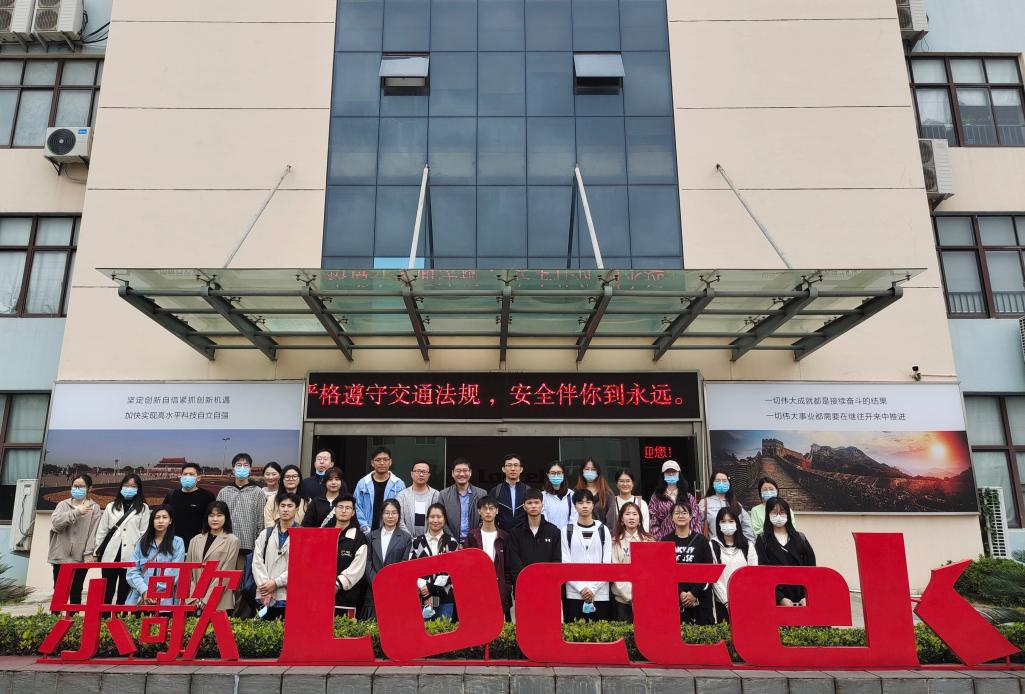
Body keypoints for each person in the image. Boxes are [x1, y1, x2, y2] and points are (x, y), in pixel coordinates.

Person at [217, 453, 268, 614]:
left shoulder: (258, 492)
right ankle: (223, 615)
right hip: (226, 547)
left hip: (247, 548)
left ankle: (240, 618)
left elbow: (261, 521)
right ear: (233, 469)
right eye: (238, 465)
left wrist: (258, 546)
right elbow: (217, 519)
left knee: (242, 585)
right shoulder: (224, 492)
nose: (242, 468)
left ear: (250, 469)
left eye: (245, 465)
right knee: (224, 584)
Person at [93, 473, 150, 605]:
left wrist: (141, 555)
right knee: (106, 592)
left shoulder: (143, 508)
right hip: (110, 555)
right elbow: (102, 531)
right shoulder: (111, 506)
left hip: (131, 556)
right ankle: (105, 615)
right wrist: (96, 552)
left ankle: (120, 616)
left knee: (124, 593)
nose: (129, 488)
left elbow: (144, 533)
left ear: (138, 489)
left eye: (133, 486)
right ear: (121, 487)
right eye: (126, 485)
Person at [49, 473, 102, 608]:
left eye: (81, 486)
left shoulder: (94, 508)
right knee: (59, 588)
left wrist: (89, 554)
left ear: (89, 488)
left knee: (76, 589)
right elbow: (56, 524)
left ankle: (74, 616)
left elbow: (93, 533)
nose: (77, 489)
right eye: (75, 486)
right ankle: (56, 616)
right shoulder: (63, 505)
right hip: (61, 554)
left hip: (80, 556)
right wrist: (76, 512)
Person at [560, 489, 612, 622]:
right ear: (574, 506)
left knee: (601, 632)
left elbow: (607, 563)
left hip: (600, 593)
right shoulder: (567, 531)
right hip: (574, 593)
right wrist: (581, 588)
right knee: (574, 631)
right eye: (580, 503)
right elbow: (565, 564)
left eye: (588, 502)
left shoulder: (603, 530)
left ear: (593, 505)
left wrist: (593, 589)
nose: (584, 506)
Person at [754, 498, 815, 607]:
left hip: (801, 599)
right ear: (768, 515)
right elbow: (762, 572)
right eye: (774, 512)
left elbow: (811, 568)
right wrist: (780, 598)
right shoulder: (762, 540)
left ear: (788, 514)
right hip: (775, 600)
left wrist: (807, 595)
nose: (778, 516)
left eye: (782, 512)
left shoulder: (800, 537)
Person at [186, 500, 241, 614]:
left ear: (226, 517)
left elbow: (226, 573)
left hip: (219, 599)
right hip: (194, 601)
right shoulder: (195, 540)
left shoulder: (232, 540)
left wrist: (206, 600)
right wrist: (194, 597)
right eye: (211, 515)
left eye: (219, 515)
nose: (215, 519)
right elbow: (188, 571)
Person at [126, 505, 186, 606]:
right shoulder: (142, 543)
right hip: (140, 599)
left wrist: (153, 592)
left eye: (164, 517)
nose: (160, 521)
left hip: (165, 601)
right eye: (157, 517)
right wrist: (144, 590)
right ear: (152, 521)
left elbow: (174, 572)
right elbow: (132, 571)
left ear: (170, 521)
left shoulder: (177, 542)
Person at [408, 503, 460, 620]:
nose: (435, 520)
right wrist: (424, 589)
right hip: (423, 598)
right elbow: (411, 568)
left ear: (444, 519)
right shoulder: (417, 542)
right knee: (423, 631)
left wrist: (430, 588)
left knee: (444, 630)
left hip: (445, 598)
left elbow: (451, 571)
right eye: (432, 517)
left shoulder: (451, 542)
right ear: (427, 519)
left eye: (439, 517)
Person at [253, 493, 300, 619]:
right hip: (265, 596)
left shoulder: (302, 536)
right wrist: (265, 587)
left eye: (290, 506)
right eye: (282, 506)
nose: (285, 509)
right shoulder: (266, 534)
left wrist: (276, 582)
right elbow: (257, 562)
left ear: (296, 509)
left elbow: (300, 567)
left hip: (289, 596)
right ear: (278, 508)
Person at [362, 499, 413, 619]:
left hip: (395, 590)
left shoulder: (406, 538)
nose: (390, 516)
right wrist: (377, 583)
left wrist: (390, 584)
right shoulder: (371, 536)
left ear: (399, 515)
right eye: (387, 513)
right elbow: (367, 563)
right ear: (381, 514)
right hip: (373, 590)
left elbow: (404, 564)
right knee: (371, 627)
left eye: (394, 513)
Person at [464, 496, 513, 619]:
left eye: (491, 508)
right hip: (477, 589)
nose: (488, 512)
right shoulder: (472, 536)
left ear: (497, 511)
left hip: (499, 588)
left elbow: (508, 567)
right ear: (479, 511)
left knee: (499, 625)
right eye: (484, 509)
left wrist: (506, 588)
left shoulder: (504, 537)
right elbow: (465, 565)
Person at [610, 500, 656, 623]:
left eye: (635, 514)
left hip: (645, 597)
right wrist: (631, 596)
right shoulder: (615, 542)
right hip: (621, 599)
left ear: (640, 519)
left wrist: (641, 594)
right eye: (627, 514)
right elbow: (616, 571)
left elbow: (652, 570)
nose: (631, 517)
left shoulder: (649, 541)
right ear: (621, 519)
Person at [710, 507, 757, 623]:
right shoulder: (713, 545)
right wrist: (727, 602)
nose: (727, 525)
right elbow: (714, 577)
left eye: (731, 521)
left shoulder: (748, 545)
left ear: (737, 523)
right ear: (718, 524)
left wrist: (742, 599)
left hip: (745, 601)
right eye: (723, 521)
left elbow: (753, 574)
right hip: (722, 603)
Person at [508, 488, 562, 586]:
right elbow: (514, 562)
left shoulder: (554, 531)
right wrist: (524, 580)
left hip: (548, 584)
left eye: (537, 502)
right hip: (523, 585)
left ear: (542, 505)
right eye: (529, 503)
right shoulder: (515, 532)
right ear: (524, 507)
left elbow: (557, 560)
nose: (533, 506)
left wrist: (547, 579)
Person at [162, 462, 217, 548]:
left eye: (191, 474)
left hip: (197, 544)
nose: (187, 476)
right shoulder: (172, 495)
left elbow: (213, 519)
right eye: (185, 474)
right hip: (173, 543)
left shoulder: (207, 496)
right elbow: (164, 515)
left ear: (198, 478)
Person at [330, 495, 368, 617]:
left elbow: (358, 568)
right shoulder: (324, 533)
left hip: (347, 599)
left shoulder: (359, 538)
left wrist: (337, 584)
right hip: (321, 596)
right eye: (340, 507)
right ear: (334, 510)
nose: (344, 510)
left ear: (353, 513)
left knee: (344, 628)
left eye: (348, 508)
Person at [355, 447, 406, 534]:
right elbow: (357, 506)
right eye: (378, 460)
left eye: (385, 460)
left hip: (390, 532)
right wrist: (365, 528)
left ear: (390, 462)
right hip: (366, 532)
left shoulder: (398, 484)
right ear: (372, 463)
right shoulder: (363, 483)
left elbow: (402, 510)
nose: (382, 463)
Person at [648, 460, 700, 539]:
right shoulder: (656, 497)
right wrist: (660, 538)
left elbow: (696, 519)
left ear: (679, 474)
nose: (671, 474)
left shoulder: (688, 497)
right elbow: (652, 519)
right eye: (668, 472)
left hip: (687, 541)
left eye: (674, 472)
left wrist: (694, 539)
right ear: (663, 475)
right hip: (665, 541)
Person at [439, 457, 487, 542]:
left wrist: (474, 538)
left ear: (470, 472)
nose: (461, 474)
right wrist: (452, 540)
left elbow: (484, 518)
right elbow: (441, 520)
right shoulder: (444, 495)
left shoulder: (481, 494)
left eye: (465, 470)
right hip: (450, 542)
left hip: (475, 541)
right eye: (458, 471)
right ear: (452, 473)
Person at [698, 470, 754, 543]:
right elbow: (698, 526)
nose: (721, 483)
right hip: (714, 546)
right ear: (712, 483)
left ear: (729, 483)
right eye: (718, 481)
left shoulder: (736, 504)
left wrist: (749, 544)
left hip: (736, 546)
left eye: (724, 481)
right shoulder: (705, 503)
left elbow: (746, 526)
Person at [396, 460, 441, 536]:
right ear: (411, 474)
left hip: (430, 539)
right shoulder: (402, 495)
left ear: (429, 475)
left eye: (424, 472)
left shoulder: (436, 495)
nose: (421, 474)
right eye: (418, 471)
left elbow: (439, 519)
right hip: (407, 539)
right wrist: (409, 538)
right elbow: (399, 520)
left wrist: (428, 538)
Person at [491, 454, 529, 531]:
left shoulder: (528, 490)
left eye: (516, 465)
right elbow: (491, 515)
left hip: (524, 534)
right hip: (502, 534)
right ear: (503, 469)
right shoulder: (496, 491)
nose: (513, 468)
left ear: (521, 469)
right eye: (509, 465)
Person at [575, 458, 614, 524]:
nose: (589, 472)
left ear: (598, 472)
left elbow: (612, 519)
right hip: (579, 529)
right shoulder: (576, 491)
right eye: (587, 469)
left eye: (593, 469)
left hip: (602, 530)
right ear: (582, 471)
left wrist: (606, 530)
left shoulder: (607, 493)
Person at [541, 461, 576, 529]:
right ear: (547, 474)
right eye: (553, 473)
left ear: (563, 474)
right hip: (549, 533)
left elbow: (574, 518)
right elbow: (543, 518)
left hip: (568, 533)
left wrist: (567, 532)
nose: (556, 476)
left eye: (559, 473)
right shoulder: (542, 496)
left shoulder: (571, 495)